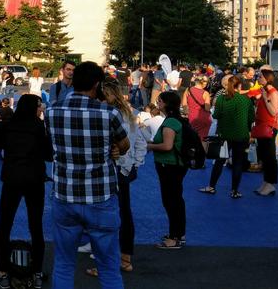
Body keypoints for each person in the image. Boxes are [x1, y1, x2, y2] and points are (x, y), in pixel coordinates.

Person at [45, 61, 130, 289]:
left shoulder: (51, 111)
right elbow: (124, 145)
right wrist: (114, 149)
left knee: (63, 264)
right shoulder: (108, 113)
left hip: (65, 194)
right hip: (100, 196)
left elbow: (52, 145)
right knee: (108, 266)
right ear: (97, 84)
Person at [0, 94, 52, 288]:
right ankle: (37, 271)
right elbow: (49, 155)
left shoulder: (7, 126)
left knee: (5, 225)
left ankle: (3, 272)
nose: (41, 109)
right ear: (33, 108)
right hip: (34, 180)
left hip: (12, 179)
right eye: (39, 106)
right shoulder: (39, 128)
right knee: (36, 226)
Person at [86, 82, 148, 278]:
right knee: (125, 213)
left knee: (106, 216)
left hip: (110, 170)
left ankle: (106, 262)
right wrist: (134, 165)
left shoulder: (108, 115)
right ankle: (125, 258)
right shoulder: (130, 114)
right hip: (124, 170)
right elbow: (140, 142)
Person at [147, 91, 189, 249]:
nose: (158, 103)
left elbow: (167, 146)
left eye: (160, 101)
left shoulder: (170, 122)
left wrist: (149, 146)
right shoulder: (177, 120)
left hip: (169, 165)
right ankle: (179, 234)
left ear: (166, 103)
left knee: (171, 200)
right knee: (176, 199)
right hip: (175, 165)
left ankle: (174, 237)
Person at [199, 76, 252, 198]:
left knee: (219, 161)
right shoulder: (246, 100)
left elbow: (216, 115)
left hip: (225, 134)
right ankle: (234, 191)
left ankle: (212, 186)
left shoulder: (222, 99)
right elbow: (251, 118)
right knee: (238, 163)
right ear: (239, 86)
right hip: (241, 135)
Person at [253, 69, 278, 197]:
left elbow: (274, 111)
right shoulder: (264, 91)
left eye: (260, 76)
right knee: (263, 155)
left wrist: (265, 98)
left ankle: (271, 184)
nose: (258, 78)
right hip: (261, 126)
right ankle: (266, 182)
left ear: (267, 78)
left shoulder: (273, 93)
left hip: (269, 127)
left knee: (269, 157)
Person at [183, 76, 212, 142]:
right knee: (202, 140)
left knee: (191, 138)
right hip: (203, 119)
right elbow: (207, 108)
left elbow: (184, 104)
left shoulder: (188, 90)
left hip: (191, 118)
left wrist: (187, 113)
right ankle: (201, 152)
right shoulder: (205, 93)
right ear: (204, 83)